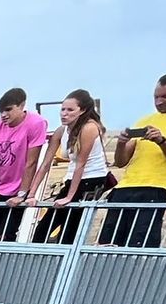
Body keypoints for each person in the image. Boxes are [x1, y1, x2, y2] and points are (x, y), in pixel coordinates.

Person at [100, 72, 166, 249]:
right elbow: (121, 161)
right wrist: (121, 143)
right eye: (156, 97)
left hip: (154, 189)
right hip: (123, 188)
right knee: (108, 244)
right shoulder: (144, 119)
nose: (159, 101)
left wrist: (161, 140)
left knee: (140, 245)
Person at [30, 90, 112, 245]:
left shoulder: (89, 128)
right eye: (63, 109)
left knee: (71, 230)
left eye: (70, 110)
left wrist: (69, 197)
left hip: (91, 179)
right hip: (72, 179)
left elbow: (81, 163)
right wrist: (32, 193)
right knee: (43, 229)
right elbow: (46, 163)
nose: (64, 114)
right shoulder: (62, 130)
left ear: (82, 111)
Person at [0, 88, 49, 242]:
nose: (4, 115)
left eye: (8, 110)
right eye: (1, 111)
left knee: (8, 233)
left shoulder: (36, 123)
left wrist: (22, 194)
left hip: (18, 188)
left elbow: (31, 162)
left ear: (21, 106)